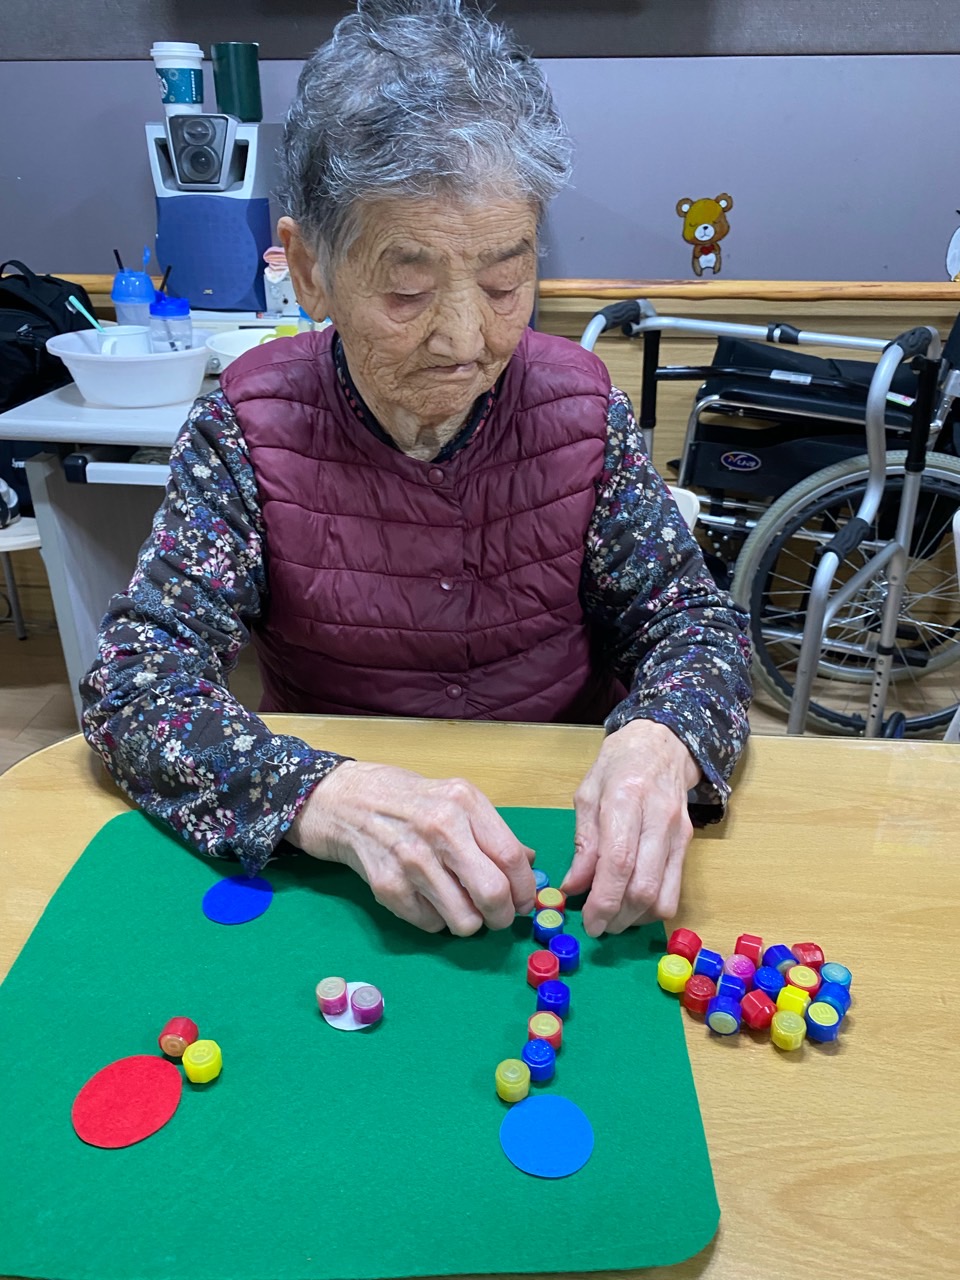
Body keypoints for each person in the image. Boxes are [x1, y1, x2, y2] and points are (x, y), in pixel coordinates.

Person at [81, 0, 751, 940]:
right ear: (308, 271)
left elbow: (695, 626)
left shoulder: (581, 408)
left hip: (562, 843)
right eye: (407, 290)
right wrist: (323, 795)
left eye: (505, 282)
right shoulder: (246, 428)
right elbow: (135, 683)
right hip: (346, 872)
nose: (466, 340)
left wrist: (660, 740)